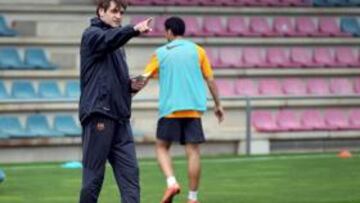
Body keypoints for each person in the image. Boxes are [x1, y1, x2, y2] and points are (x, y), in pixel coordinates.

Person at [143, 16, 224, 203]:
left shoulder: (160, 53)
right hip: (193, 109)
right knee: (193, 151)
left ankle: (172, 183)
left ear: (169, 32)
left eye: (165, 31)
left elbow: (144, 78)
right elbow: (210, 80)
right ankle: (193, 198)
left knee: (162, 147)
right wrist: (218, 105)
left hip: (170, 109)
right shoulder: (198, 51)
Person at [78, 0, 152, 202]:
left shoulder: (118, 45)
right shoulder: (92, 35)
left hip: (121, 119)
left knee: (131, 177)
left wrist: (130, 86)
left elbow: (110, 78)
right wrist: (134, 29)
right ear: (101, 11)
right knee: (93, 179)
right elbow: (108, 40)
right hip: (99, 115)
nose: (118, 15)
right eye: (114, 11)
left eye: (121, 12)